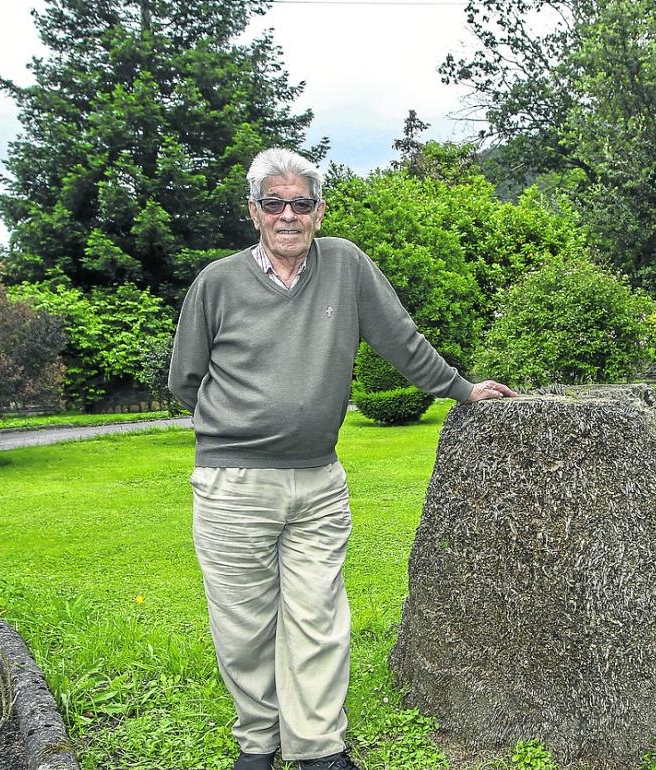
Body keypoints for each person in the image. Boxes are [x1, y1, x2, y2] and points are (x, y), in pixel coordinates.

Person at [168, 147, 516, 770]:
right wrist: (247, 425)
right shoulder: (216, 283)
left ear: (319, 213)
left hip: (318, 482)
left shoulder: (346, 267)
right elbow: (186, 379)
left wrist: (461, 390)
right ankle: (258, 741)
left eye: (300, 203)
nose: (288, 215)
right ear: (254, 213)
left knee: (317, 620)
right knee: (244, 627)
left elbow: (400, 339)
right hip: (233, 482)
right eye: (274, 203)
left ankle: (317, 748)